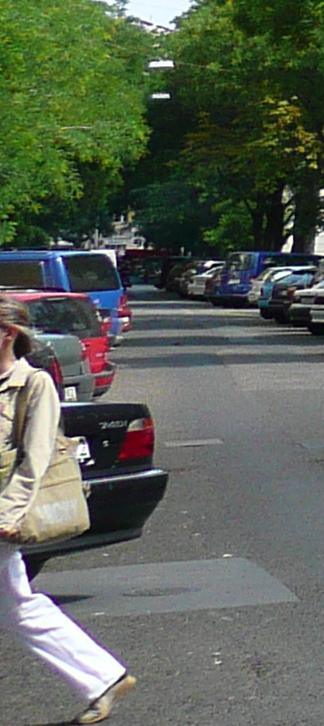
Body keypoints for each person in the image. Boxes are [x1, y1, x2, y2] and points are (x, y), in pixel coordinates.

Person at [0, 301, 129, 722]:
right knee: (18, 607)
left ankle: (103, 677)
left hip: (1, 510)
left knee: (18, 606)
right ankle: (103, 677)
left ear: (7, 333)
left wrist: (8, 514)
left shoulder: (32, 385)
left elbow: (35, 459)